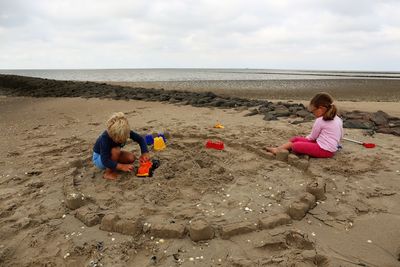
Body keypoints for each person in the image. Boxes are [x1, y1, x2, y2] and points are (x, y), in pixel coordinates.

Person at [266, 92, 343, 158]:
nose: (313, 114)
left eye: (313, 111)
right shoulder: (337, 118)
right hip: (328, 146)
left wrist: (305, 141)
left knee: (296, 145)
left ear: (321, 109)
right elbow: (341, 135)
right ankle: (277, 149)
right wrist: (337, 145)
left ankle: (278, 150)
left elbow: (313, 137)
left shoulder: (320, 120)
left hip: (325, 150)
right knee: (295, 139)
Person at [93, 112, 150, 180]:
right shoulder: (104, 138)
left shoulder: (125, 131)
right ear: (112, 134)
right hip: (100, 158)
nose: (121, 141)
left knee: (131, 158)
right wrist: (121, 166)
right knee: (115, 150)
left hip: (112, 155)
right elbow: (105, 160)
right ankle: (108, 173)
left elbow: (140, 139)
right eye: (119, 139)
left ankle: (114, 165)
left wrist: (144, 153)